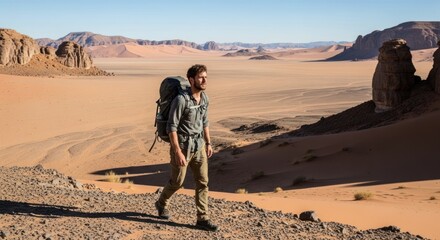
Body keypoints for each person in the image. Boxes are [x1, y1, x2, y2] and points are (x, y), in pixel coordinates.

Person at [155, 64, 218, 232]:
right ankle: (161, 203)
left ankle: (202, 218)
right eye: (200, 77)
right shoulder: (181, 100)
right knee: (177, 182)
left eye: (205, 77)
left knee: (203, 182)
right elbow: (171, 127)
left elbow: (205, 122)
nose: (204, 80)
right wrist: (177, 152)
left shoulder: (204, 98)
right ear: (191, 80)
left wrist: (208, 143)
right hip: (183, 147)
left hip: (199, 146)